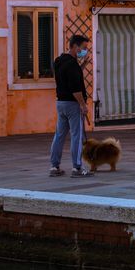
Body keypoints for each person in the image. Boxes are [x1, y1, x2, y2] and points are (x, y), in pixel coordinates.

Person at [49, 34, 92, 177]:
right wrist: (83, 105)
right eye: (84, 48)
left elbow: (69, 75)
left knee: (59, 135)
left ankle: (54, 167)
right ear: (75, 46)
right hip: (73, 104)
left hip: (60, 103)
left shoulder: (60, 61)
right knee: (77, 136)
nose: (85, 50)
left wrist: (83, 64)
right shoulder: (72, 65)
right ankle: (77, 168)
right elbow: (75, 89)